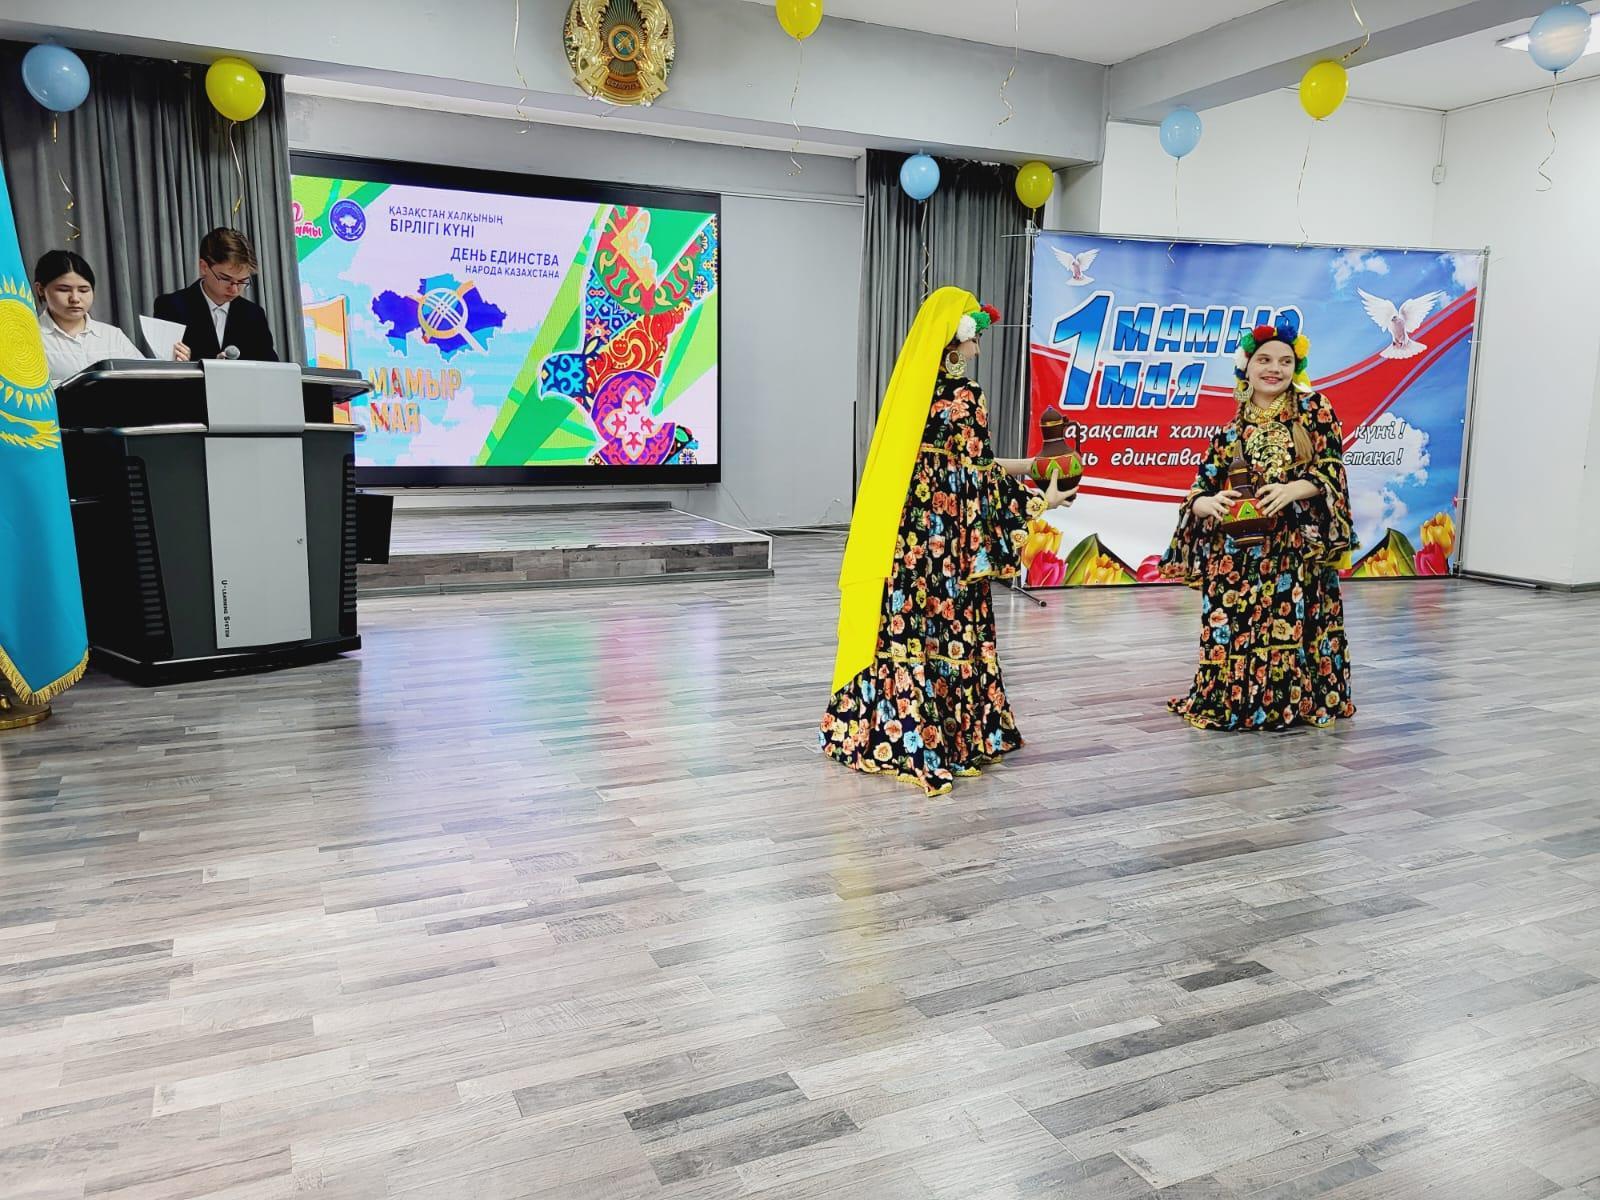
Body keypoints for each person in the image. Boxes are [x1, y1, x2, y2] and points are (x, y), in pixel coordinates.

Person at [820, 287, 1075, 796]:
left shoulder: (910, 395)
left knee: (906, 627)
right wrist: (1040, 499)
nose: (978, 348)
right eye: (975, 338)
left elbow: (959, 463)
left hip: (905, 542)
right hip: (949, 545)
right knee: (951, 627)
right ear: (955, 343)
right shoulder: (966, 396)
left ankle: (887, 732)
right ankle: (952, 738)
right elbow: (977, 477)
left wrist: (1032, 466)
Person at [1160, 314, 1356, 731]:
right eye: (1264, 360)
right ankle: (1234, 703)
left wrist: (1293, 489)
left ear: (1296, 368)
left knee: (1290, 623)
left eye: (1285, 362)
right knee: (1230, 624)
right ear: (1246, 368)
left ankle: (1288, 703)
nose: (1274, 369)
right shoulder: (1229, 432)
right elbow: (1197, 492)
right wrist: (1209, 502)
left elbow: (1332, 469)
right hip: (1236, 554)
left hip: (1293, 549)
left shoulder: (1314, 410)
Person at [33, 250, 162, 384]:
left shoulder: (112, 335)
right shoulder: (29, 337)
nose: (75, 298)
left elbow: (144, 379)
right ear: (40, 289)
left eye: (84, 290)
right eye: (64, 290)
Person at [154, 227, 278, 362]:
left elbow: (271, 367)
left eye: (242, 281)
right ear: (204, 267)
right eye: (226, 279)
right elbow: (164, 367)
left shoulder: (254, 315)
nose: (234, 290)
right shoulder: (170, 307)